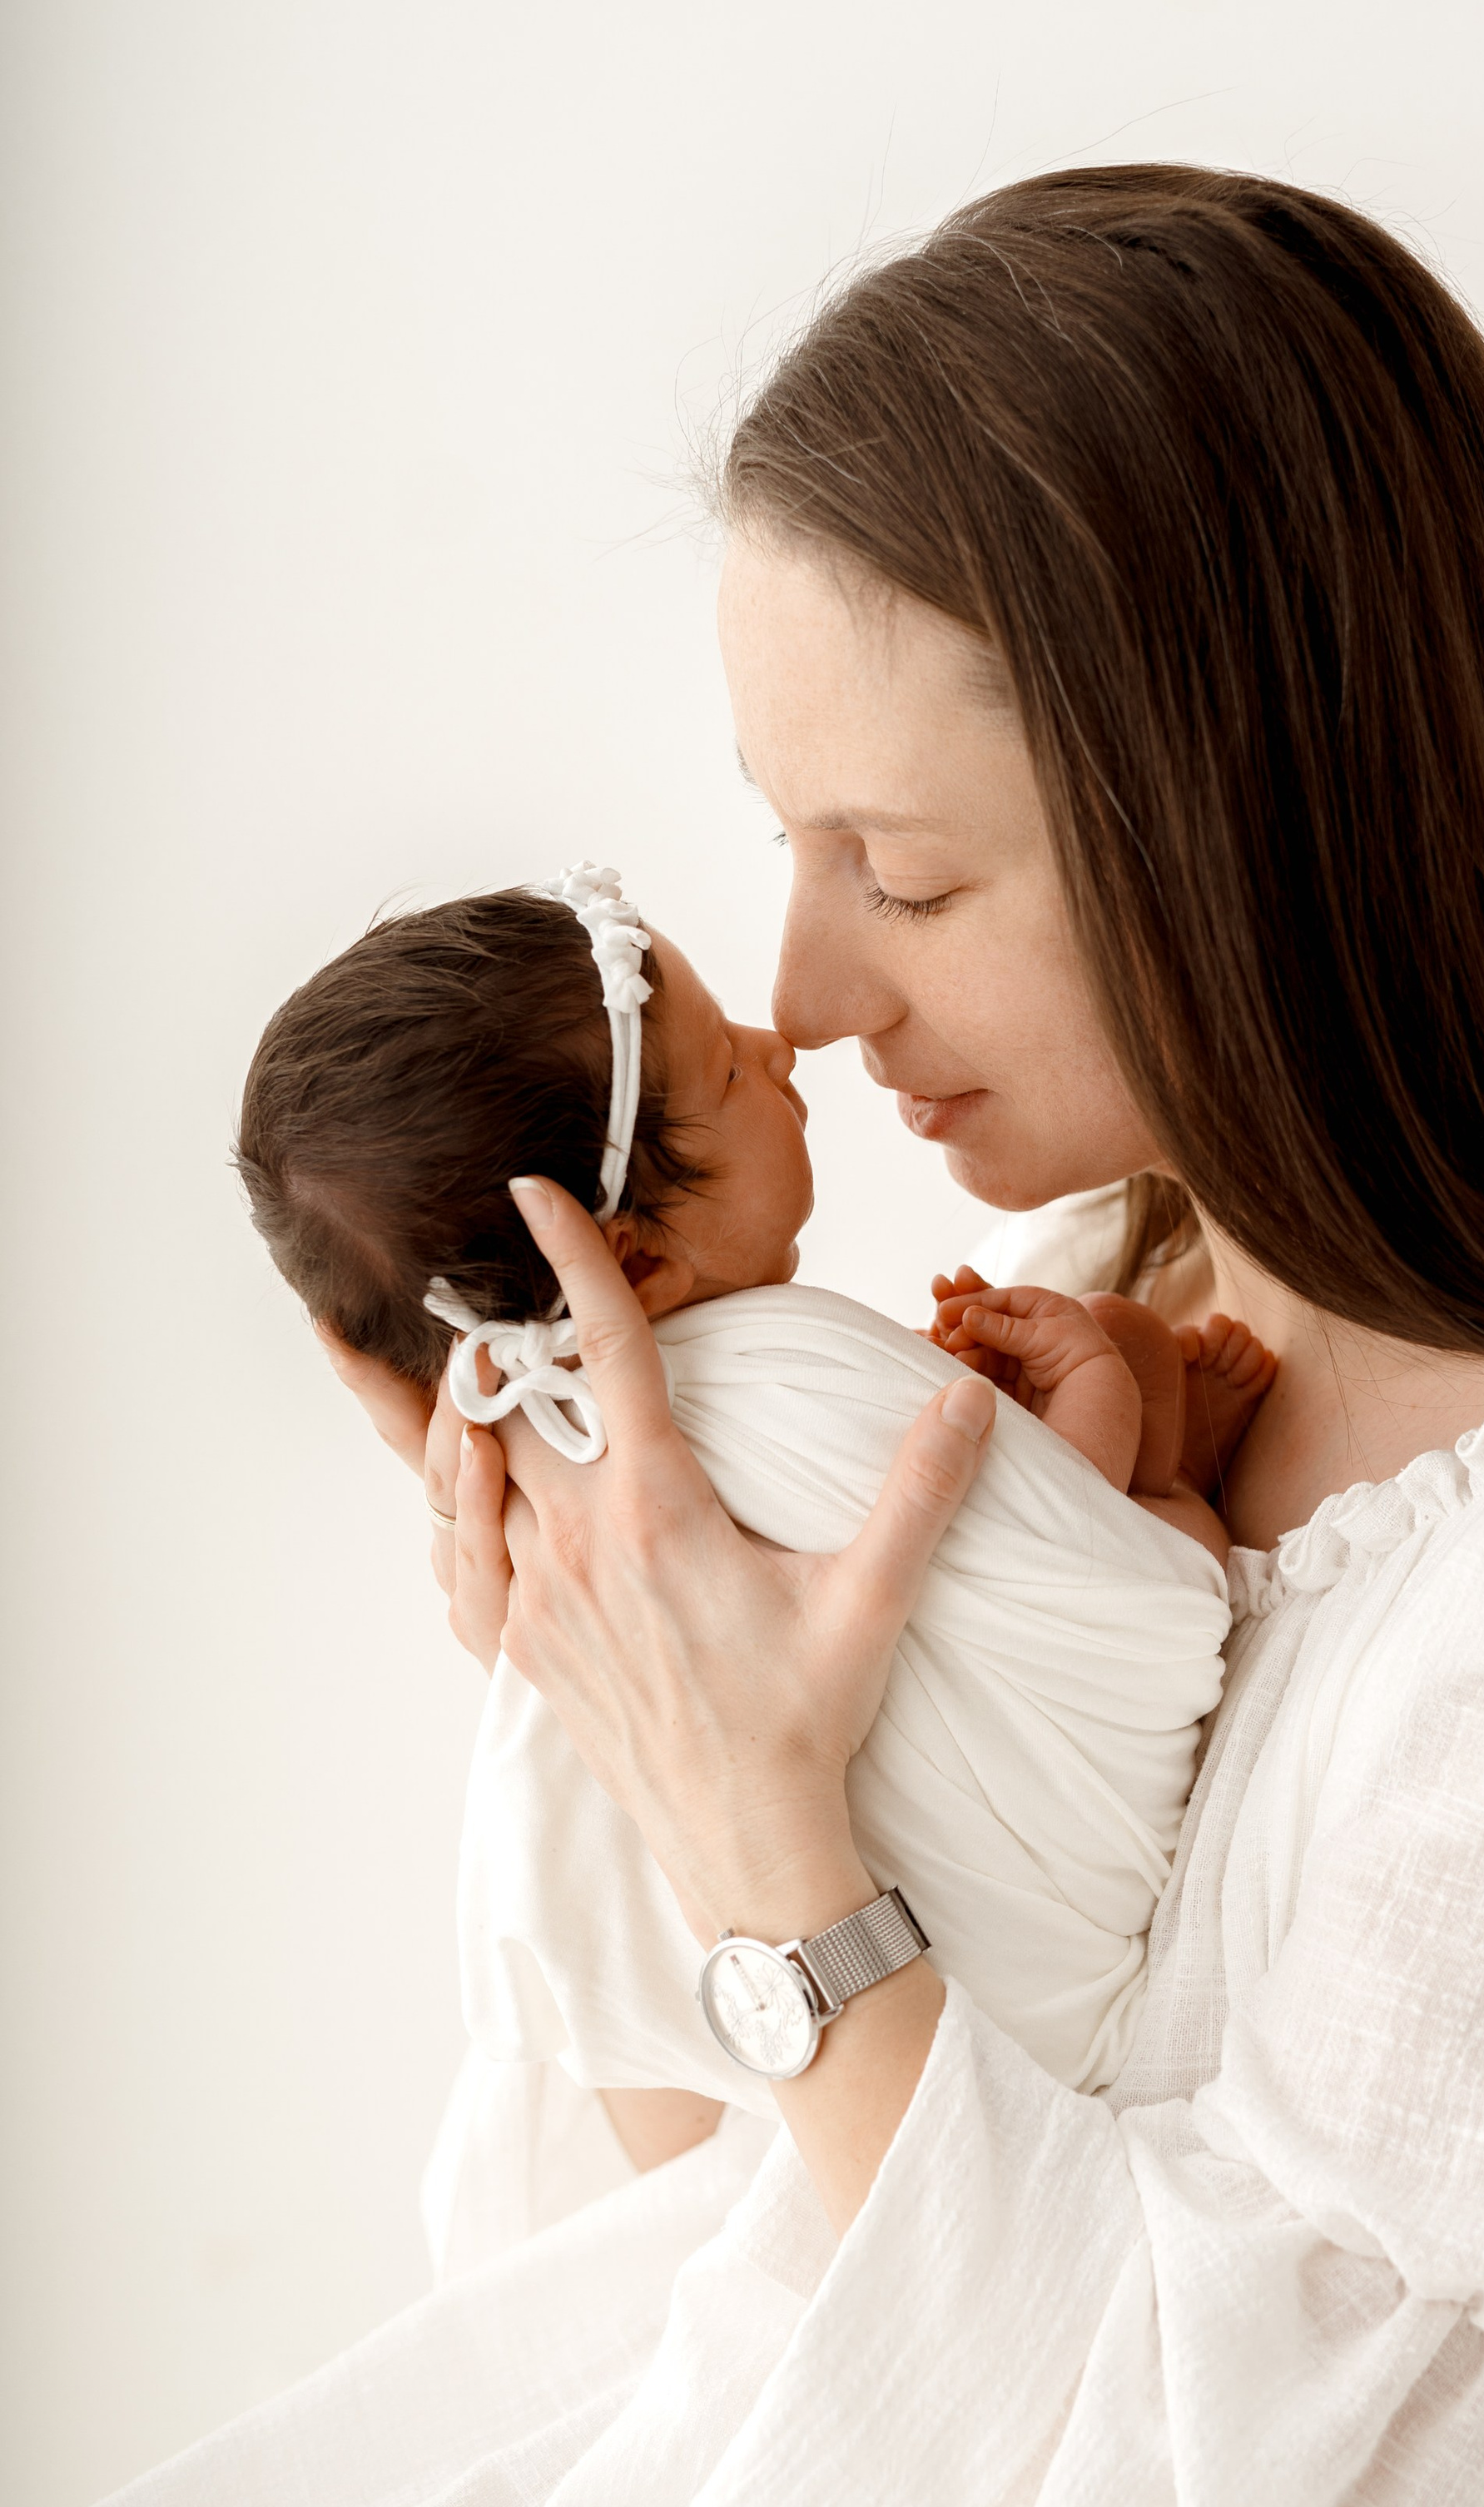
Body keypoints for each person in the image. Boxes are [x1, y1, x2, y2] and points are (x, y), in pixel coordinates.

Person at [0, 166, 1484, 2507]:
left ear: (1267, 835)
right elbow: (667, 2270)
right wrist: (604, 1744)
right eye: (788, 840)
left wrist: (776, 1852)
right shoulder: (1083, 1321)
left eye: (908, 873)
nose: (805, 995)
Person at [231, 862, 1253, 2238]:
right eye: (724, 1068)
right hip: (1019, 1965)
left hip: (866, 2060)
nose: (785, 1039)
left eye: (905, 874)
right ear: (638, 1266)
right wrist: (1118, 1409)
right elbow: (1093, 1568)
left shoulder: (559, 1471)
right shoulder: (790, 1364)